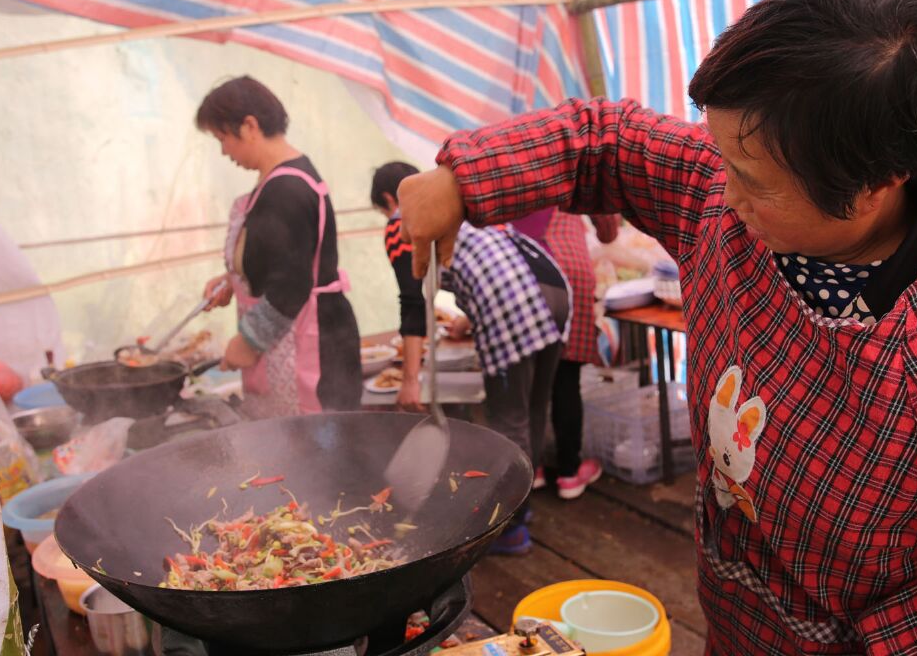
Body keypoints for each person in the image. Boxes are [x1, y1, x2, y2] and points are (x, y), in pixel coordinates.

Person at [395, 0, 917, 655]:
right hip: (731, 617)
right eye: (722, 157)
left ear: (873, 187)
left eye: (753, 182)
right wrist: (464, 177)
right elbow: (607, 140)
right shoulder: (724, 190)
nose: (726, 194)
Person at [372, 161, 567, 554]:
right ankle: (522, 510)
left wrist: (411, 380)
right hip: (553, 292)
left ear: (391, 198)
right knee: (532, 412)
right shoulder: (453, 199)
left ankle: (509, 529)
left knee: (508, 423)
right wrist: (466, 318)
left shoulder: (401, 222)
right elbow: (491, 261)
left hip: (514, 306)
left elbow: (413, 302)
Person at [197, 76, 360, 419]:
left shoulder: (286, 189)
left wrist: (248, 342)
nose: (224, 151)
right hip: (297, 340)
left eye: (222, 138)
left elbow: (292, 284)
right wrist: (236, 279)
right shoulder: (278, 178)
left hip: (313, 350)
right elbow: (284, 256)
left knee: (313, 458)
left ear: (250, 125)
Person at [512, 209, 621, 498]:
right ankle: (569, 474)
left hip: (515, 268)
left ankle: (530, 468)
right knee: (566, 377)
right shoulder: (578, 162)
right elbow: (608, 227)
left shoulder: (504, 163)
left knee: (528, 378)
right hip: (567, 271)